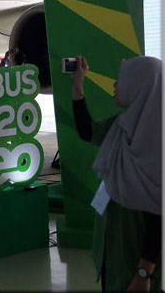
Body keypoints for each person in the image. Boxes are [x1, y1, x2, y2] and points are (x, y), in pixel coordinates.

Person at [71, 55, 161, 292]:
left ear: (138, 86)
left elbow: (158, 217)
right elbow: (86, 130)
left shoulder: (158, 143)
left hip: (136, 260)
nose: (114, 85)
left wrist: (144, 273)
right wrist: (77, 86)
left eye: (121, 80)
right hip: (111, 249)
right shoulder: (121, 126)